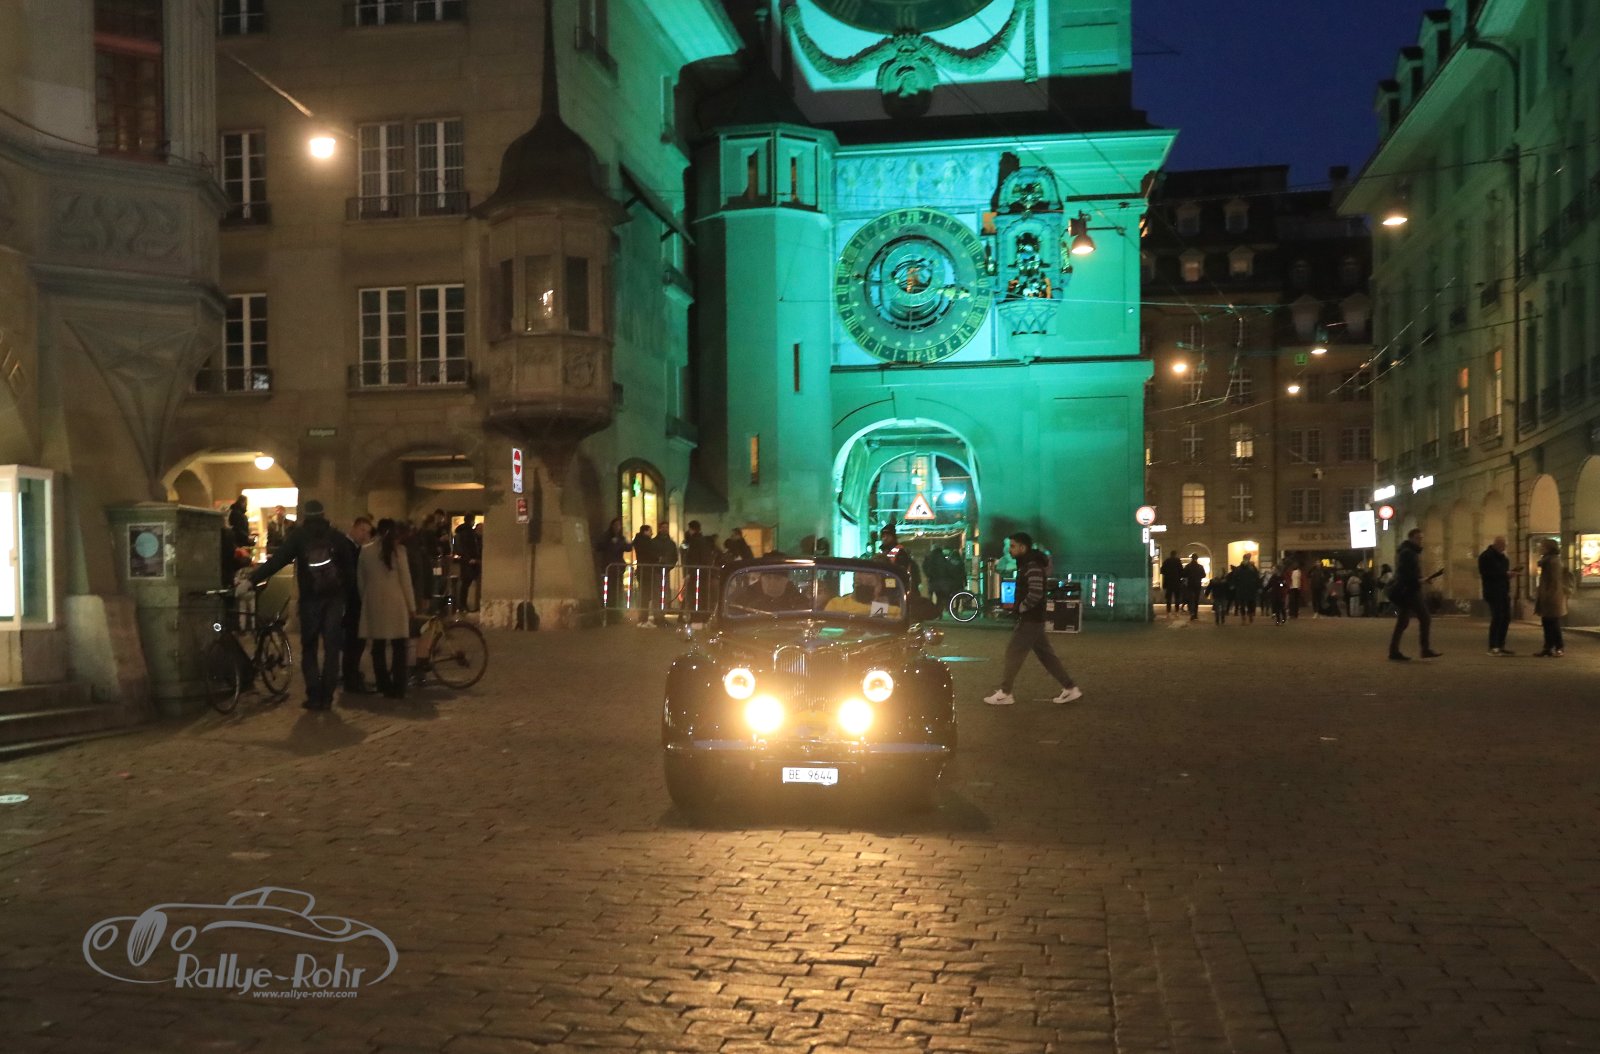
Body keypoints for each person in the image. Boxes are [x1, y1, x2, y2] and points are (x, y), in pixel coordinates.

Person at [243, 499, 357, 710]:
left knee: (309, 648)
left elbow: (277, 561)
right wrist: (346, 598)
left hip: (310, 600)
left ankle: (313, 696)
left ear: (305, 515)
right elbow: (350, 571)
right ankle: (327, 697)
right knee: (332, 649)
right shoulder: (336, 536)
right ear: (323, 515)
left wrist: (252, 579)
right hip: (333, 600)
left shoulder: (299, 536)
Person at [983, 533, 1082, 707]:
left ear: (1023, 547)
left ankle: (1005, 693)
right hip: (1034, 618)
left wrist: (1021, 607)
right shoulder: (1030, 564)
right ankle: (1070, 687)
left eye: (1013, 546)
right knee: (1046, 655)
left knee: (1013, 652)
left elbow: (1035, 592)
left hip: (1030, 618)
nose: (1010, 550)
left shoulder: (1031, 566)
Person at [359, 518, 416, 699]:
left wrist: (366, 598)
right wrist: (411, 606)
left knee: (378, 646)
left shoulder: (366, 551)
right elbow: (406, 581)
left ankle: (383, 684)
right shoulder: (399, 552)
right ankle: (399, 686)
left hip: (373, 602)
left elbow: (361, 581)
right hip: (396, 603)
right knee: (399, 646)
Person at [1387, 528, 1442, 661]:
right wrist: (1420, 580)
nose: (1420, 541)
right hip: (1410, 591)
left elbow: (1408, 573)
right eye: (1418, 538)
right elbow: (1405, 574)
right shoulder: (1408, 553)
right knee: (1425, 618)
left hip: (1408, 589)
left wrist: (1421, 579)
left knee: (1403, 621)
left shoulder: (1408, 551)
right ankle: (1424, 649)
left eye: (1421, 538)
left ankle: (1394, 651)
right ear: (1411, 538)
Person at [341, 516, 375, 694]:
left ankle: (352, 675)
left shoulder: (355, 548)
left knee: (355, 642)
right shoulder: (348, 548)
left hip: (354, 601)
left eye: (367, 532)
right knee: (353, 642)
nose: (364, 535)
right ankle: (351, 679)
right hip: (351, 602)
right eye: (362, 530)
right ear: (354, 528)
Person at [1478, 535, 1517, 655]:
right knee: (1497, 617)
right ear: (1497, 544)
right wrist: (1505, 574)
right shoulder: (1486, 556)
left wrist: (1508, 575)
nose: (1505, 547)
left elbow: (1502, 573)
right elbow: (1487, 574)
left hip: (1503, 591)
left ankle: (1500, 645)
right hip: (1493, 591)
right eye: (1503, 545)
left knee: (1506, 617)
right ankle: (1493, 646)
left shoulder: (1504, 558)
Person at [1533, 538, 1569, 657]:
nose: (1540, 548)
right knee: (1547, 623)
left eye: (1542, 546)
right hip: (1547, 596)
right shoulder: (1547, 560)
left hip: (1552, 597)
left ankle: (1559, 647)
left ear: (1548, 548)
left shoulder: (1553, 562)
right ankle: (1548, 647)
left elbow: (1555, 581)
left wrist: (1548, 595)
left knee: (1553, 623)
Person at [824, 571, 901, 617]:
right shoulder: (836, 603)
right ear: (853, 584)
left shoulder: (893, 611)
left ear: (879, 586)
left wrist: (880, 608)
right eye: (859, 583)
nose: (864, 587)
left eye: (869, 584)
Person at [741, 570, 810, 612]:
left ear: (786, 581)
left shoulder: (798, 601)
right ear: (761, 579)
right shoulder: (746, 598)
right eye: (768, 577)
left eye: (777, 578)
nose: (772, 582)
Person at [452, 514, 481, 612]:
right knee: (467, 583)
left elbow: (459, 548)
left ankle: (462, 605)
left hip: (464, 560)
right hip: (470, 561)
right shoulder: (469, 533)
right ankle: (464, 605)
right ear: (471, 521)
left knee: (465, 583)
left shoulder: (459, 532)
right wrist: (471, 558)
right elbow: (471, 547)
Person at [1229, 555, 1261, 624]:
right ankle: (1243, 618)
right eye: (1245, 559)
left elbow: (1257, 578)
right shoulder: (1239, 569)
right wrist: (1233, 584)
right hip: (1241, 588)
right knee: (1242, 604)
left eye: (1247, 559)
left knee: (1250, 603)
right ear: (1243, 559)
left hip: (1250, 588)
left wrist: (1259, 587)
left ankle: (1250, 615)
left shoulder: (1252, 568)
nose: (1246, 560)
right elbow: (1234, 577)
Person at [1159, 553, 1184, 617]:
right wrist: (1179, 576)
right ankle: (1176, 611)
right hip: (1176, 582)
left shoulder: (1166, 561)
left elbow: (1162, 571)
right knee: (1177, 598)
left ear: (1170, 555)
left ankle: (1168, 611)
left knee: (1168, 598)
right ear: (1175, 555)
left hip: (1168, 582)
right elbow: (1182, 571)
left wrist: (1167, 574)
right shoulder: (1178, 561)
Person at [1182, 553, 1205, 621]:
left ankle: (1191, 612)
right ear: (1197, 558)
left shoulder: (1188, 566)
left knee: (1190, 599)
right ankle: (1195, 614)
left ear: (1191, 558)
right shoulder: (1200, 567)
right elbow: (1203, 575)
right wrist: (1198, 577)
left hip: (1190, 584)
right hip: (1197, 584)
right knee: (1196, 600)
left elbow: (1184, 574)